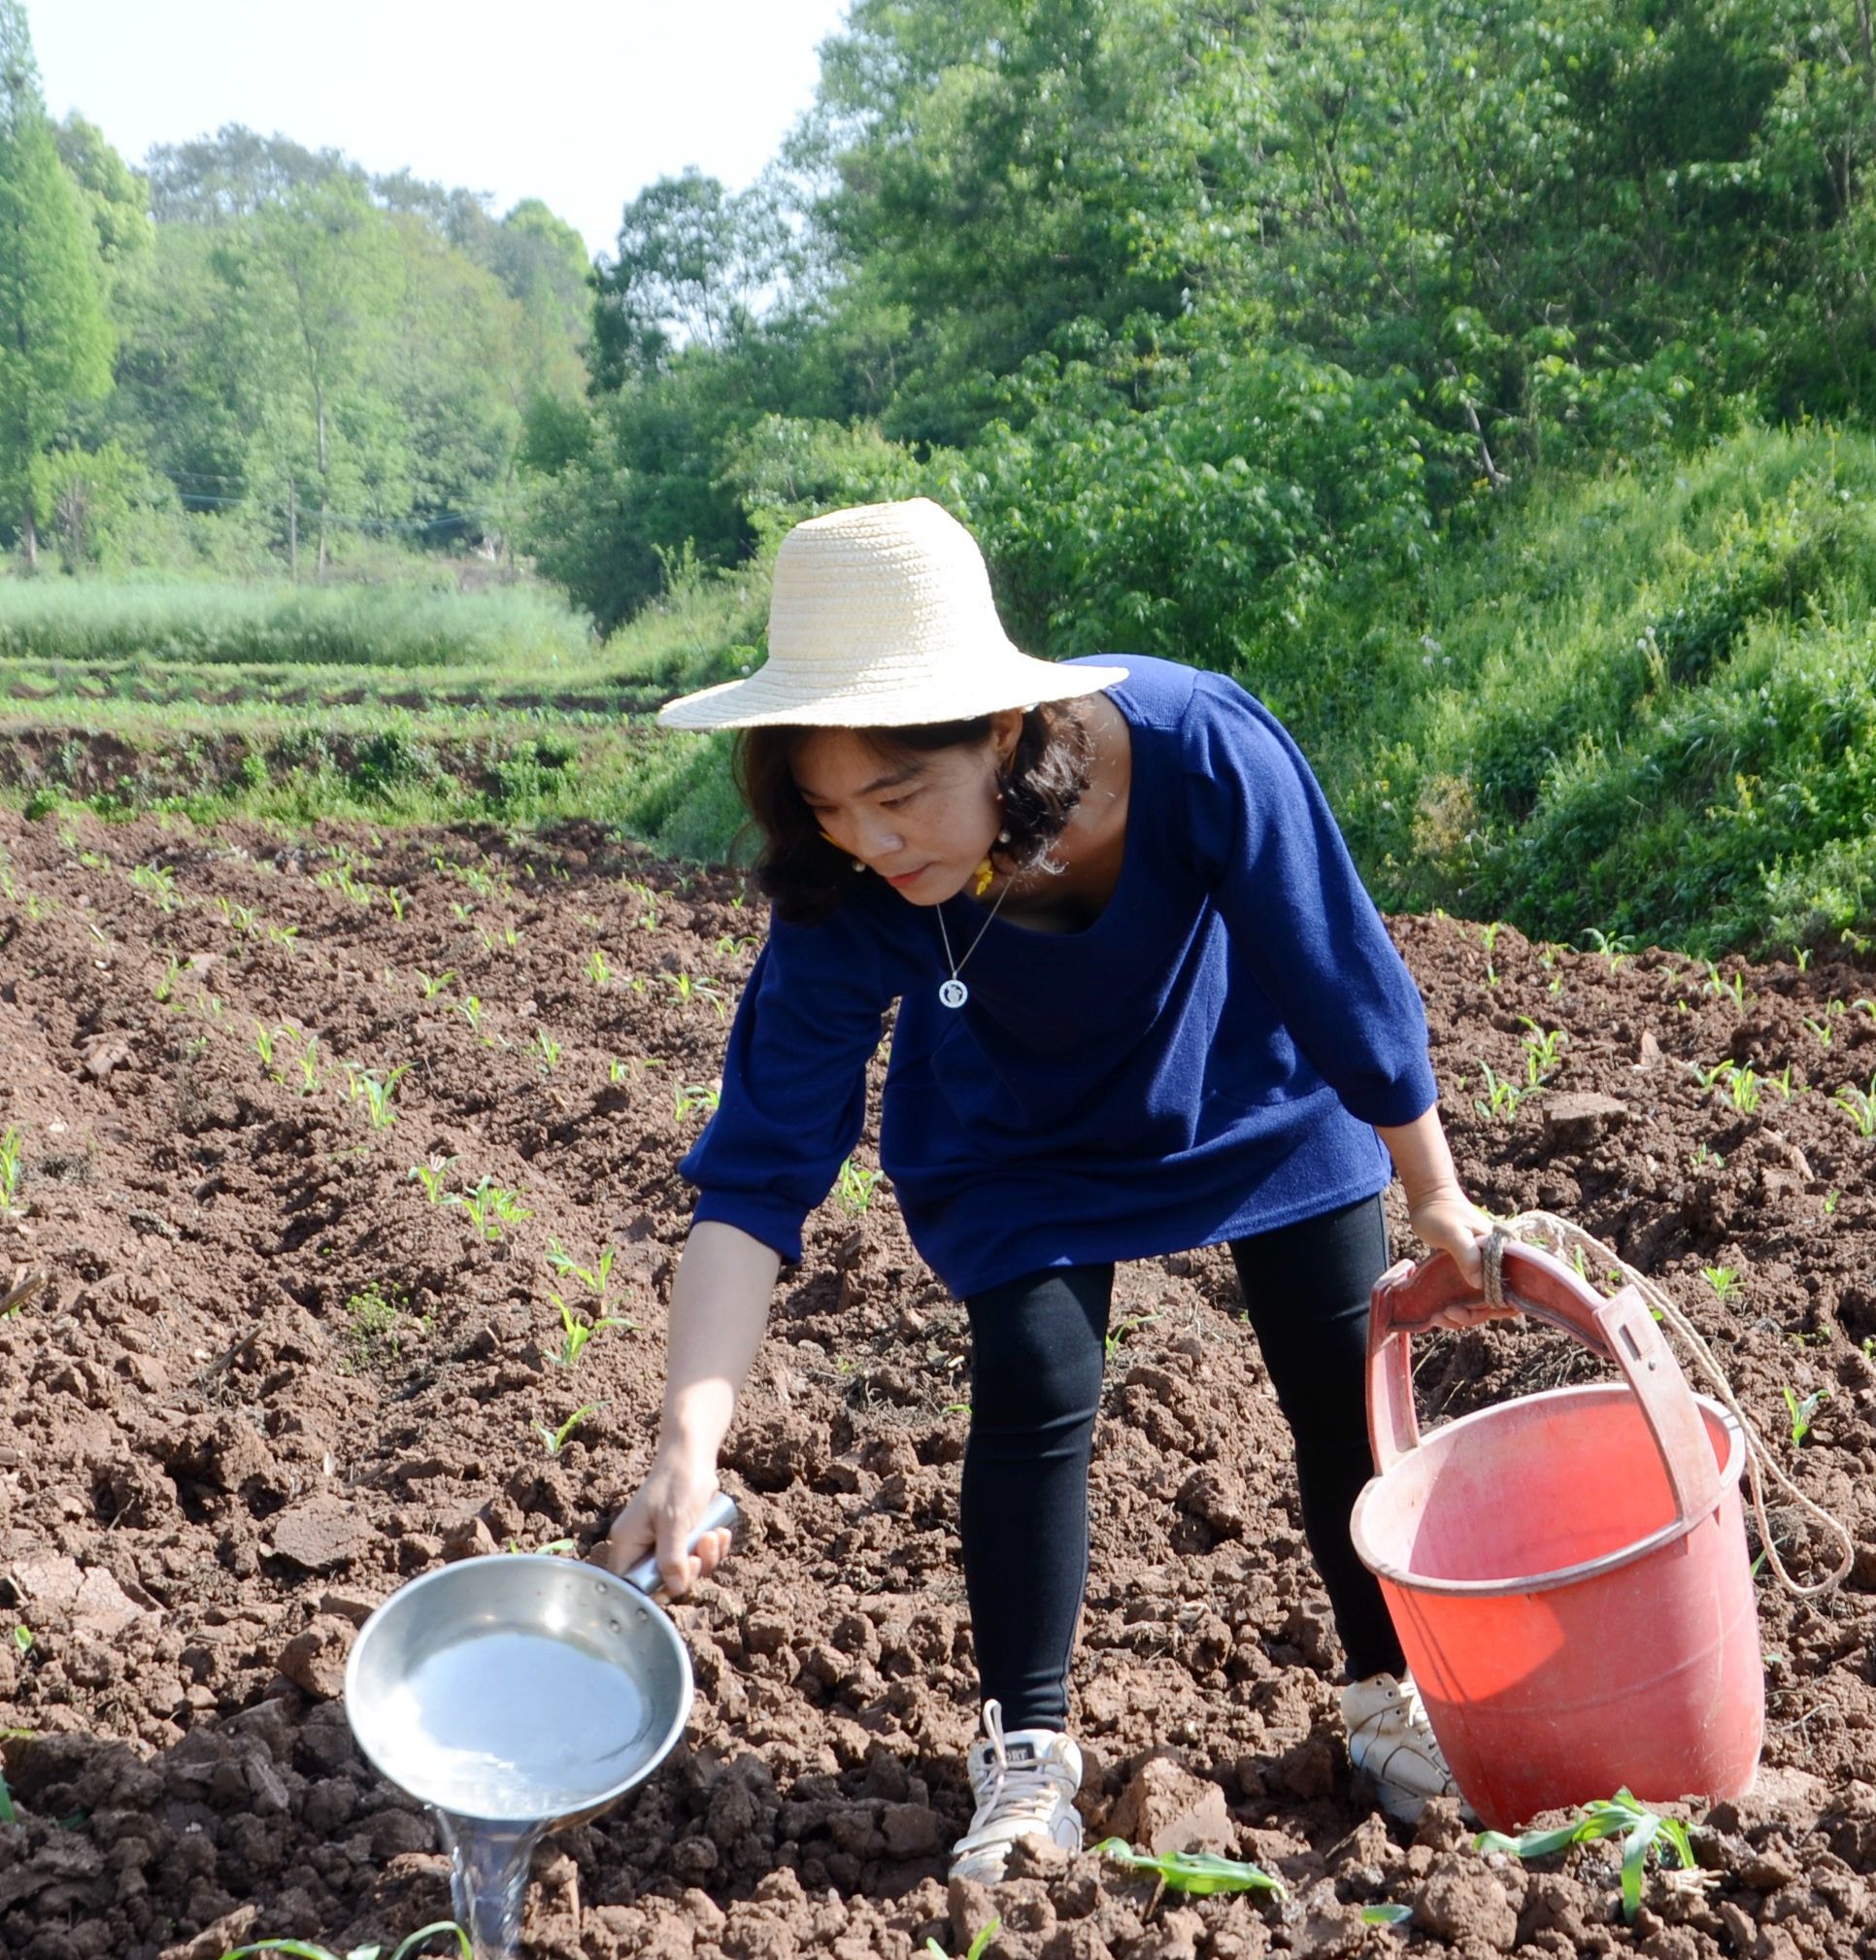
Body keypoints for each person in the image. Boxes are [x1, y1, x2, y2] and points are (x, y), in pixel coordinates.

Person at [600, 497, 1493, 1884]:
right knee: (1031, 1375)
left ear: (1005, 735)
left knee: (1339, 1378)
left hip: (1251, 1088)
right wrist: (687, 1443)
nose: (872, 844)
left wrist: (1432, 1193)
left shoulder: (1200, 749)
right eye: (832, 810)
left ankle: (1393, 1697)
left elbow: (1340, 970)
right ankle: (1026, 1753)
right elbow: (760, 1169)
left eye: (898, 799)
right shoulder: (851, 893)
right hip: (1012, 1130)